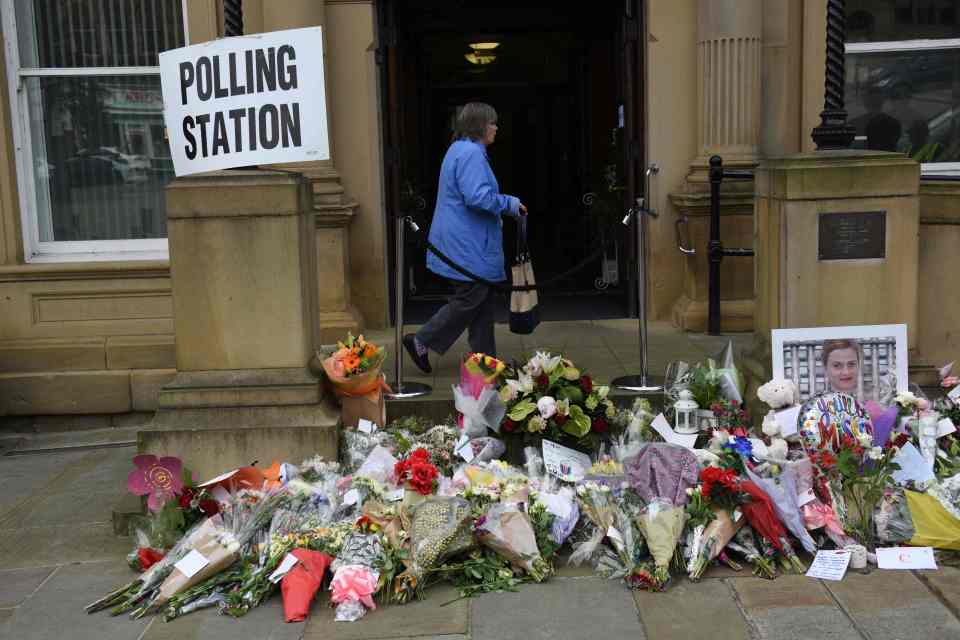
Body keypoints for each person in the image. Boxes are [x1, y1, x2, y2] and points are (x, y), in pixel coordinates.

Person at [403, 102, 527, 373]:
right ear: (480, 125)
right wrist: (509, 204)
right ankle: (422, 341)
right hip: (467, 244)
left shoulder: (459, 149)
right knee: (471, 298)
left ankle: (485, 362)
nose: (496, 127)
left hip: (461, 241)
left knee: (480, 301)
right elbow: (477, 197)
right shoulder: (471, 153)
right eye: (492, 122)